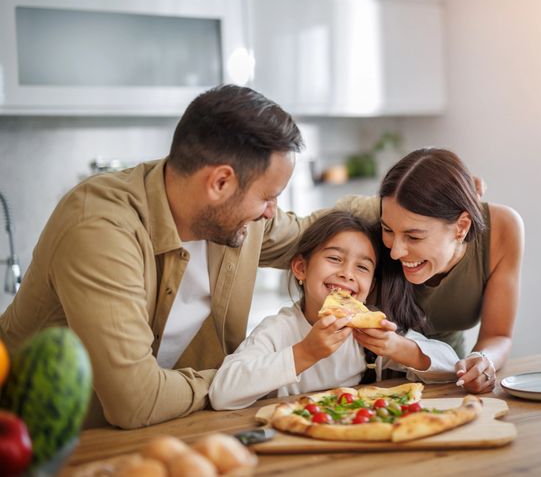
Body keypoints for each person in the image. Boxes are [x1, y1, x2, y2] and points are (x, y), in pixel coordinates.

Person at [0, 85, 323, 429]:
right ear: (220, 183)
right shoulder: (100, 229)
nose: (271, 212)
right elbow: (136, 401)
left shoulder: (238, 221)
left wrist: (386, 215)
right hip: (35, 442)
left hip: (144, 437)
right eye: (267, 197)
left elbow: (317, 233)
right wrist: (240, 381)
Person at [209, 211, 459, 410]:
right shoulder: (277, 331)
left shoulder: (370, 332)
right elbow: (222, 393)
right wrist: (305, 353)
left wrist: (397, 347)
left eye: (362, 267)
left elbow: (452, 367)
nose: (347, 274)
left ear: (371, 285)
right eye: (335, 259)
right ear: (300, 268)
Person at [343, 148, 524, 395]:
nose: (395, 252)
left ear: (461, 226)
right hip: (370, 385)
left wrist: (482, 361)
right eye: (388, 230)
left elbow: (499, 335)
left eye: (413, 236)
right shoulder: (368, 231)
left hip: (448, 376)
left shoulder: (503, 229)